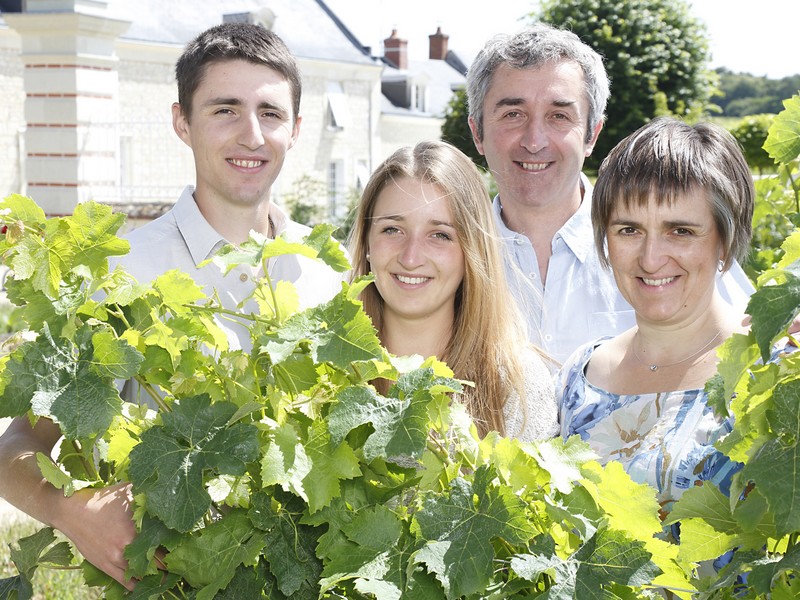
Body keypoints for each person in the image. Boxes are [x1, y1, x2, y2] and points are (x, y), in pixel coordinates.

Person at [0, 22, 344, 589]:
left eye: (271, 113)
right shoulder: (119, 273)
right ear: (182, 122)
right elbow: (17, 443)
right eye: (225, 110)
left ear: (297, 128)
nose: (252, 135)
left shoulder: (328, 270)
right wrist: (71, 510)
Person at [465, 24, 754, 364]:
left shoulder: (676, 249)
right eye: (513, 114)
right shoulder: (450, 257)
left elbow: (754, 344)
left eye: (559, 116)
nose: (534, 140)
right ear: (477, 132)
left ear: (592, 134)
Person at [557, 117, 769, 524]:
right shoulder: (578, 376)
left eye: (681, 231)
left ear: (724, 240)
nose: (651, 258)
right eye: (629, 229)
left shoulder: (772, 369)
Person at [347, 140, 557, 442]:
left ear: (472, 251)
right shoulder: (323, 370)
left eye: (440, 235)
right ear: (367, 243)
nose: (411, 257)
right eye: (392, 229)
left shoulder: (516, 385)